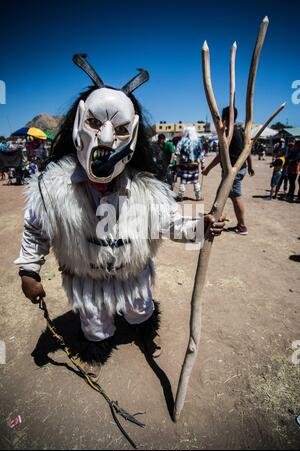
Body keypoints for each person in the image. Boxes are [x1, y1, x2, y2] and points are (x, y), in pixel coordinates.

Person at [15, 54, 225, 381]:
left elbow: (171, 222)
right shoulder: (52, 188)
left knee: (140, 311)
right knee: (94, 324)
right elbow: (36, 229)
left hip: (134, 273)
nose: (106, 139)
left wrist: (200, 225)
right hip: (86, 277)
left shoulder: (147, 189)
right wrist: (29, 269)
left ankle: (142, 331)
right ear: (79, 122)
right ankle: (96, 349)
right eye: (95, 123)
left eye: (119, 129)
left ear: (134, 133)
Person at [202, 106, 254, 235]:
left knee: (235, 197)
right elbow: (247, 151)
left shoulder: (227, 134)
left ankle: (242, 226)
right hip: (238, 169)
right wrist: (250, 166)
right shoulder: (240, 131)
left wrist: (208, 169)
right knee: (223, 193)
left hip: (233, 171)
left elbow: (221, 155)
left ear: (224, 118)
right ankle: (217, 216)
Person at [174, 127, 205, 201]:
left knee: (183, 181)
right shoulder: (198, 142)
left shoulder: (181, 142)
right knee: (196, 181)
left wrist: (177, 164)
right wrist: (203, 164)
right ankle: (198, 196)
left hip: (184, 165)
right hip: (195, 165)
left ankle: (180, 196)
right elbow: (202, 154)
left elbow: (177, 154)